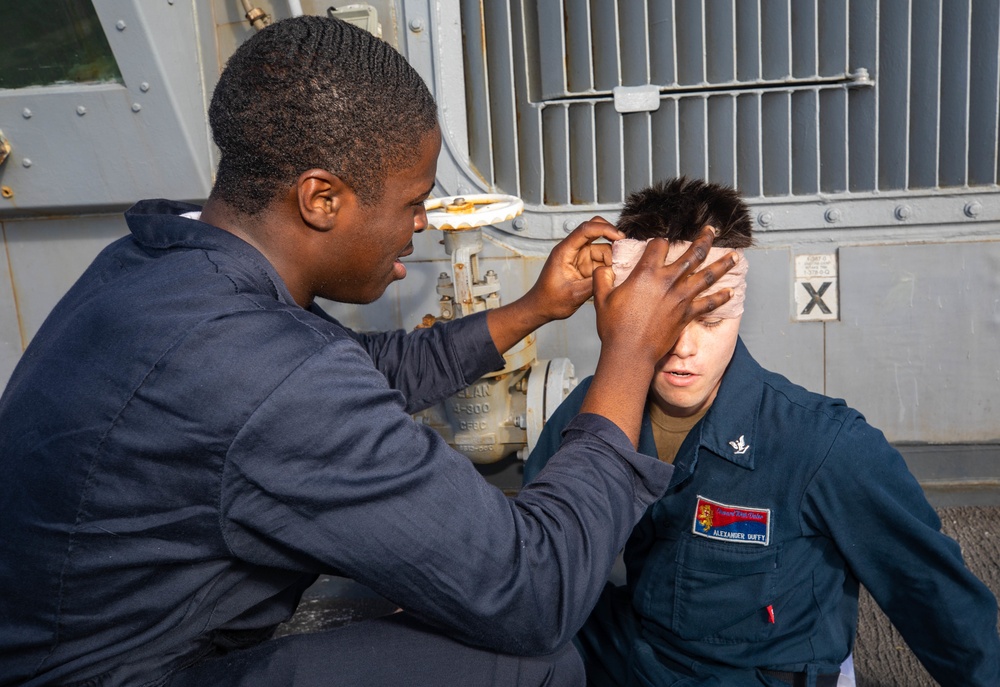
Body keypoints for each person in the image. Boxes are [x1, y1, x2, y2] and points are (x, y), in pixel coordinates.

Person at [0, 17, 741, 687]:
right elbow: (535, 588)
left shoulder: (158, 261)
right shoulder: (266, 371)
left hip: (70, 639)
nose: (419, 223)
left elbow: (359, 369)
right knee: (535, 661)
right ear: (321, 199)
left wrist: (534, 308)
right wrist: (628, 355)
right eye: (412, 200)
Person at [524, 177, 1000, 687]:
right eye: (664, 322)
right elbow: (536, 550)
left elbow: (933, 596)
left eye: (710, 321)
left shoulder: (822, 445)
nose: (684, 348)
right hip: (640, 649)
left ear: (740, 313)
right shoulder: (590, 413)